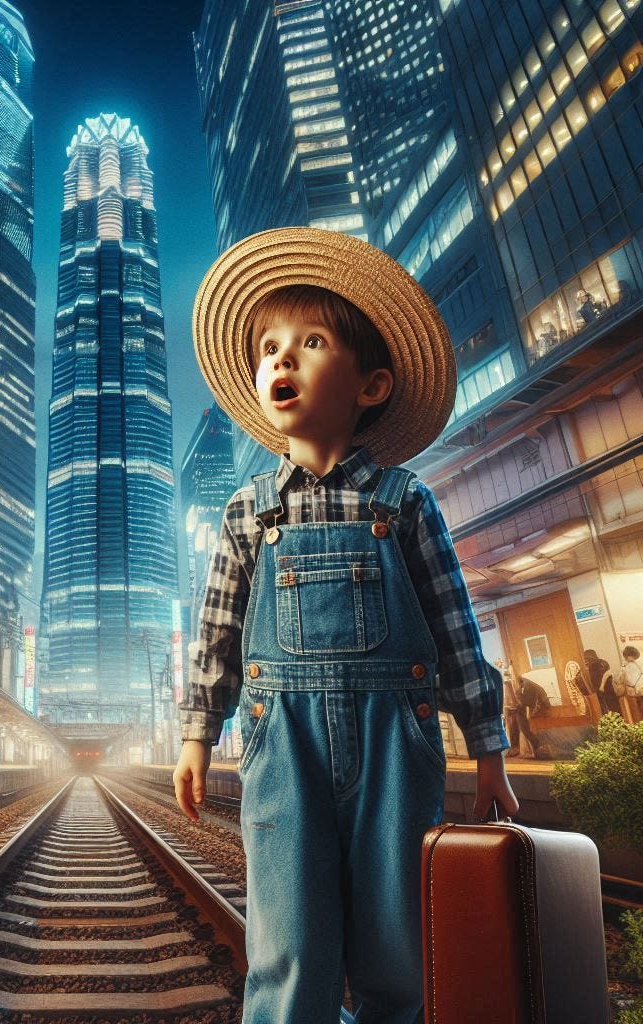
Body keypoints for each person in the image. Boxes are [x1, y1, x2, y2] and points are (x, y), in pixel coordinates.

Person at [172, 227, 518, 1024]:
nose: (281, 361)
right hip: (278, 737)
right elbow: (217, 633)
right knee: (288, 940)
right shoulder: (245, 514)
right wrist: (197, 731)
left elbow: (455, 629)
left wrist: (488, 746)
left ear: (372, 385)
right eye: (268, 348)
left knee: (399, 945)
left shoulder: (406, 502)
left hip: (398, 738)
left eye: (312, 342)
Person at [505, 674, 550, 759]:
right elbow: (521, 701)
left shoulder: (528, 686)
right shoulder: (525, 685)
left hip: (538, 710)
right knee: (517, 722)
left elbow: (524, 703)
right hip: (532, 709)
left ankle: (536, 748)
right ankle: (517, 748)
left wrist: (514, 706)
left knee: (523, 727)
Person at [585, 648, 619, 716]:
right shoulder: (604, 662)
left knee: (605, 708)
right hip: (609, 687)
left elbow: (594, 679)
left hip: (600, 689)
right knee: (614, 705)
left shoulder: (592, 665)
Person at [617, 646, 642, 725]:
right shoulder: (640, 664)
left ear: (626, 656)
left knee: (637, 717)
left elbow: (620, 680)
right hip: (640, 691)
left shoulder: (624, 667)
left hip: (632, 695)